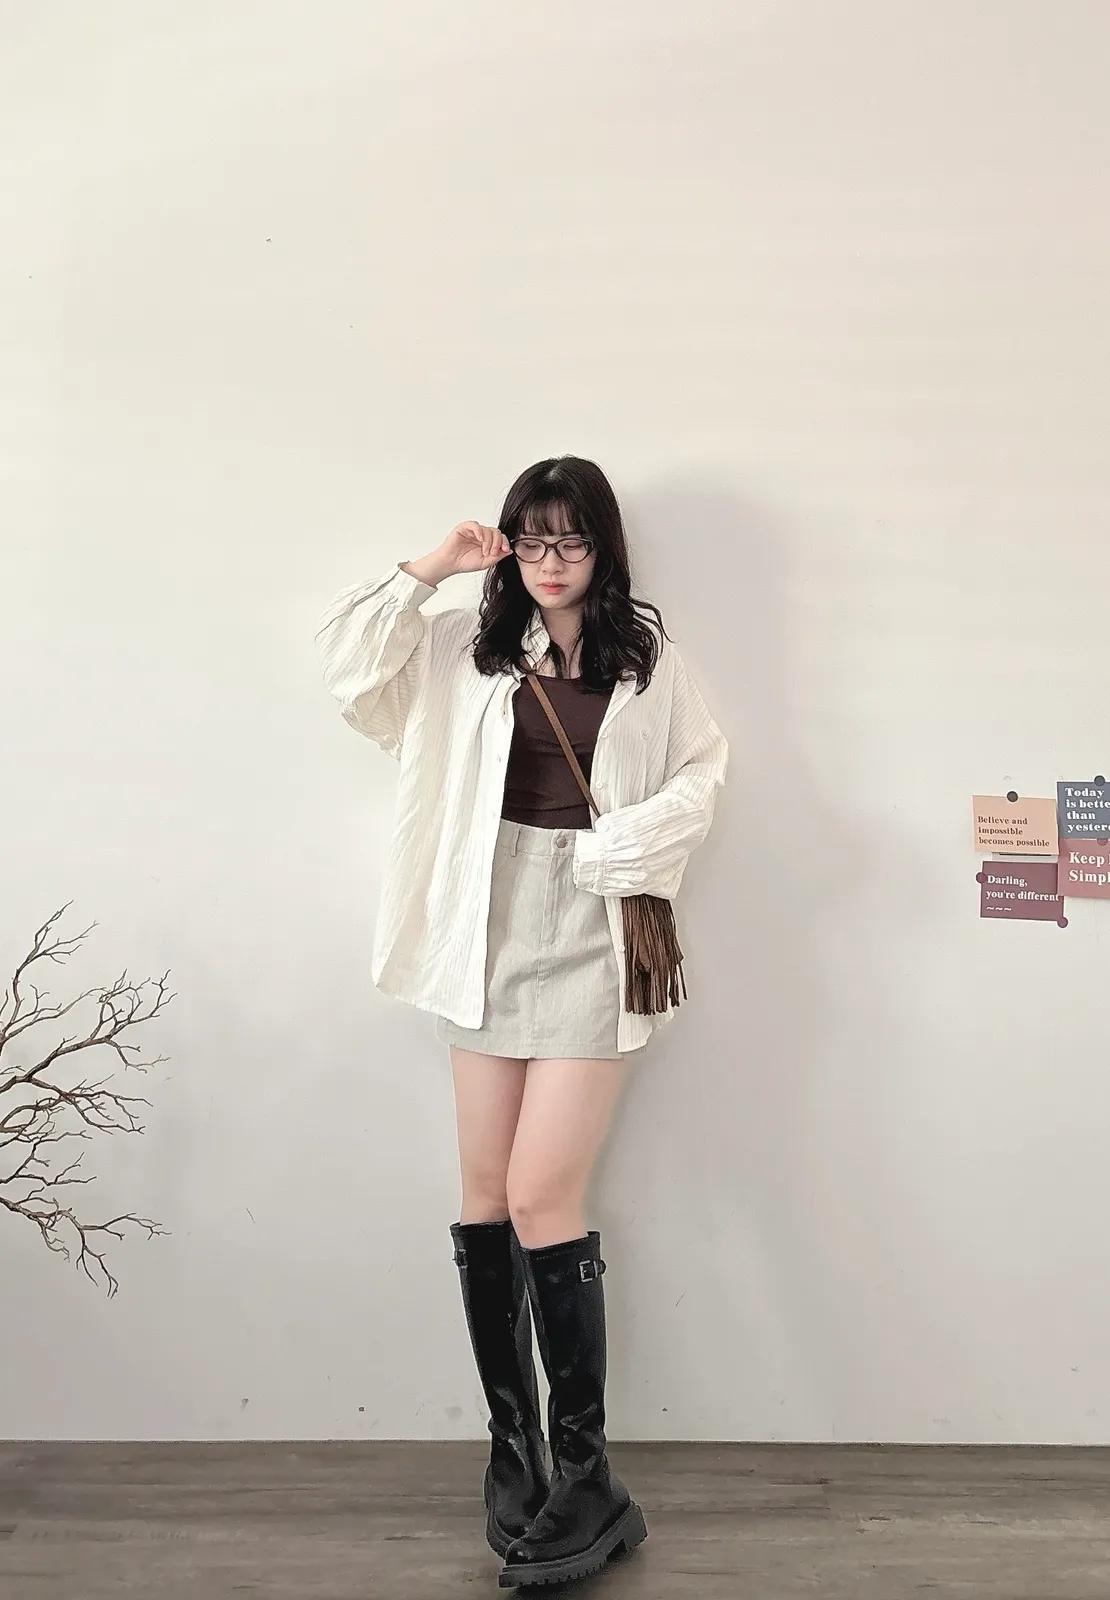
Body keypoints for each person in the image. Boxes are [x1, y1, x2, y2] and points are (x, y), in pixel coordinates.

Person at [315, 456, 728, 1587]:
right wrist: (435, 567)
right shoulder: (468, 648)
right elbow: (350, 671)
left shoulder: (650, 664)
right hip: (484, 925)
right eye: (530, 538)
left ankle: (590, 1475)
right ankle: (517, 1451)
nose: (549, 561)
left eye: (570, 539)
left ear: (603, 548)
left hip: (595, 929)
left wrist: (622, 848)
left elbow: (703, 772)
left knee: (546, 1194)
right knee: (485, 1196)